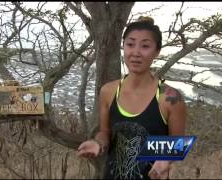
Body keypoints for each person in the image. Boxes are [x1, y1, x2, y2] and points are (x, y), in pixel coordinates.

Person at [77, 16, 186, 179]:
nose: (135, 53)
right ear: (123, 47)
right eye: (130, 44)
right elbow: (105, 132)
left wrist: (166, 159)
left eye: (145, 46)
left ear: (157, 51)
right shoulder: (108, 91)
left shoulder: (170, 98)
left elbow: (178, 145)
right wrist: (97, 144)